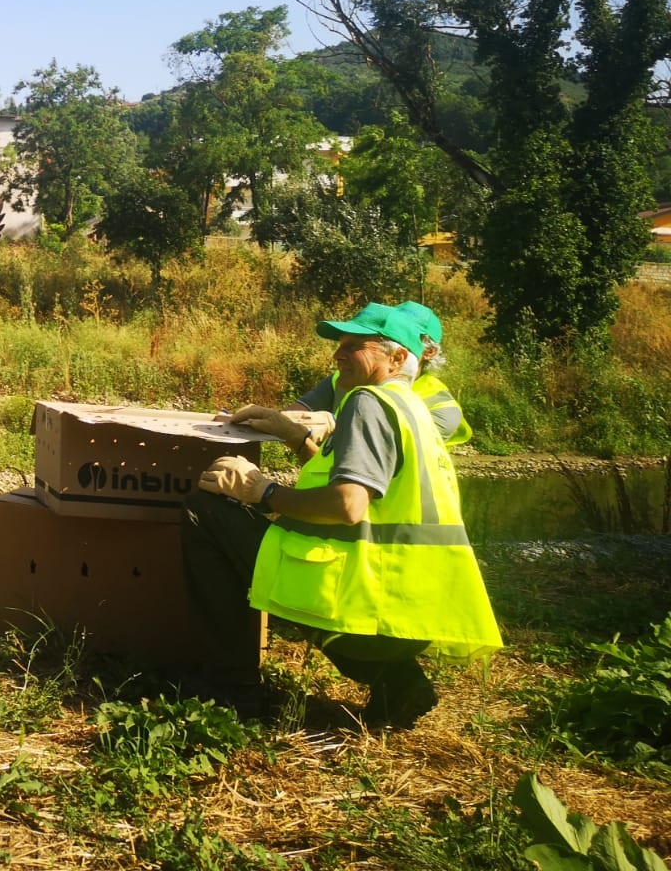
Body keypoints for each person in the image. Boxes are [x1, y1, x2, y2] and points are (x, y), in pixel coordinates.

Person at [181, 303, 502, 729]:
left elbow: (347, 505)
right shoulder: (406, 406)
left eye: (354, 346)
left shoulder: (367, 402)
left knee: (205, 511)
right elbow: (358, 486)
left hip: (362, 604)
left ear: (397, 358)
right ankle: (398, 682)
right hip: (405, 611)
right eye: (339, 346)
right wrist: (295, 436)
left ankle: (233, 695)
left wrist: (264, 491)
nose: (338, 355)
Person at [272, 300, 470, 458]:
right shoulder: (344, 381)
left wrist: (324, 429)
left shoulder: (441, 408)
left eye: (406, 335)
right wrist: (268, 420)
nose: (337, 356)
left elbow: (368, 465)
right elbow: (292, 420)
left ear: (428, 352)